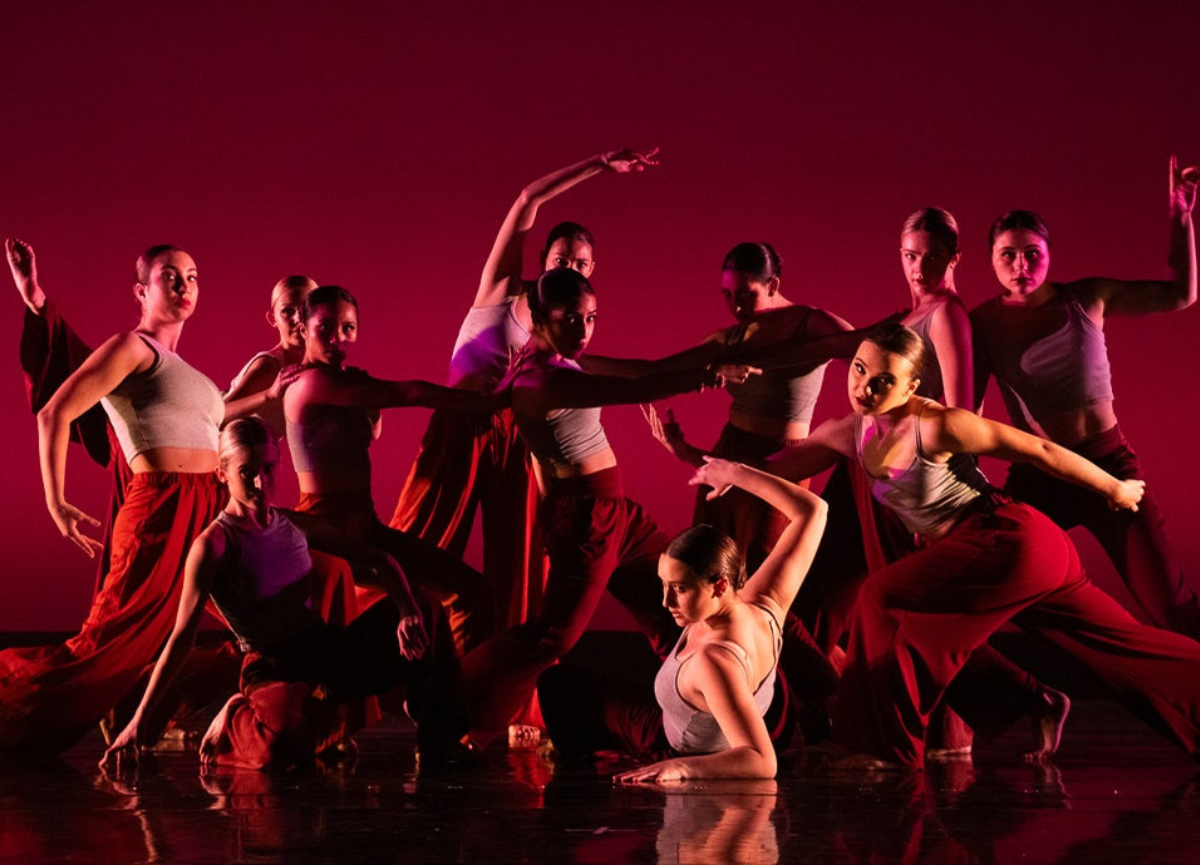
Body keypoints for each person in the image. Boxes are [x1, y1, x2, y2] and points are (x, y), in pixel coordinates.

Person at [773, 323, 1200, 769]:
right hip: (1015, 555)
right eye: (859, 370)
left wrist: (1114, 489)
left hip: (1005, 540)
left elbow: (1041, 451)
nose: (864, 387)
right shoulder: (850, 431)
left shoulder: (938, 425)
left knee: (883, 598)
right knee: (1122, 646)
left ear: (911, 386)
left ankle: (879, 749)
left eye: (884, 381)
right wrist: (720, 470)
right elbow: (784, 463)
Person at [0, 244, 286, 754]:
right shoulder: (133, 349)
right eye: (170, 277)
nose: (184, 286)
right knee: (103, 648)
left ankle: (137, 706)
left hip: (210, 512)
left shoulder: (190, 375)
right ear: (142, 291)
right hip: (160, 509)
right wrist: (55, 502)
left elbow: (214, 418)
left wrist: (269, 397)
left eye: (192, 277)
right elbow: (55, 413)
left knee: (248, 628)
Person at [460, 268, 759, 749]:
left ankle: (697, 710)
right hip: (585, 517)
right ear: (538, 316)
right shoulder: (540, 379)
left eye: (592, 318)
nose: (583, 330)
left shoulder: (566, 362)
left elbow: (640, 371)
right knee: (552, 637)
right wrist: (706, 376)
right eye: (571, 320)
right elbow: (631, 392)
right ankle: (446, 689)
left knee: (676, 608)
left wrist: (709, 356)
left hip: (617, 514)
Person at [99, 418, 465, 772]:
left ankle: (438, 742)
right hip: (271, 667)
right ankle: (233, 719)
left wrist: (405, 610)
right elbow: (181, 638)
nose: (261, 481)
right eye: (246, 472)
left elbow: (377, 559)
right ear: (222, 473)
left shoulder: (294, 525)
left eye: (269, 468)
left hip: (324, 651)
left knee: (427, 606)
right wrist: (138, 723)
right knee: (282, 752)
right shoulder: (214, 545)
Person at [391, 149, 658, 634]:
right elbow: (527, 199)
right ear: (543, 261)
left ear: (592, 269)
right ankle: (370, 647)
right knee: (417, 542)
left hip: (518, 437)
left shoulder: (568, 327)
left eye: (580, 263)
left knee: (521, 564)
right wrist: (599, 164)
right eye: (561, 259)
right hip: (461, 423)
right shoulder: (502, 287)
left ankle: (507, 687)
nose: (571, 268)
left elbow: (604, 375)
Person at [971, 156, 1200, 638]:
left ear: (1050, 254)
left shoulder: (1087, 296)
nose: (1020, 265)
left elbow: (1180, 294)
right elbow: (968, 409)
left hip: (1108, 466)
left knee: (1172, 608)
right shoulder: (983, 323)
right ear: (990, 258)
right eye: (1007, 254)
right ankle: (1026, 698)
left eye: (1032, 252)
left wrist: (1182, 217)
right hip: (1039, 475)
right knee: (987, 593)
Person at [540, 457, 826, 781]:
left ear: (719, 585)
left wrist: (680, 767)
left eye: (679, 588)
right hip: (766, 726)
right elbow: (813, 512)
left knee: (557, 685)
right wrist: (736, 473)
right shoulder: (766, 601)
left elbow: (761, 762)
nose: (666, 601)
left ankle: (581, 783)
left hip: (680, 749)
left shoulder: (714, 661)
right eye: (665, 585)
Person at [282, 284, 498, 654]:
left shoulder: (346, 381)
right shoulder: (309, 381)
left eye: (348, 328)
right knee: (311, 646)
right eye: (325, 327)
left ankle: (458, 698)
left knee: (470, 591)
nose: (338, 339)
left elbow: (372, 432)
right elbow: (410, 393)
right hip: (326, 533)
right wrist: (486, 401)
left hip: (367, 528)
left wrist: (366, 397)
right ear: (302, 328)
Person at [631, 241, 851, 575]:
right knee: (708, 571)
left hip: (783, 458)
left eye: (746, 294)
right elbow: (654, 370)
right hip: (732, 448)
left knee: (764, 572)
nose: (735, 306)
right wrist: (684, 450)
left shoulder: (809, 323)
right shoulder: (734, 337)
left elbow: (864, 354)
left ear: (773, 285)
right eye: (727, 295)